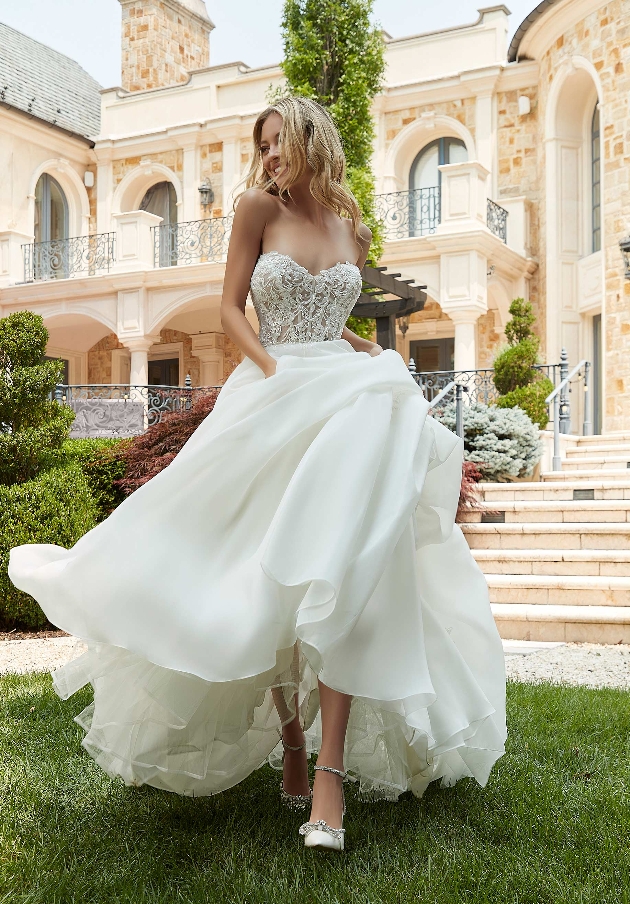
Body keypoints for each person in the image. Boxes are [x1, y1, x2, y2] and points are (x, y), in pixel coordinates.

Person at [9, 96, 506, 853]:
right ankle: (291, 736)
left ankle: (330, 776)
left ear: (311, 140)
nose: (269, 155)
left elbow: (329, 306)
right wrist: (275, 372)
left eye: (279, 142)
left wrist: (365, 351)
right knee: (255, 569)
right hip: (272, 392)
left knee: (353, 560)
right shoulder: (252, 209)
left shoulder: (353, 223)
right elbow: (232, 310)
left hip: (347, 394)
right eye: (263, 144)